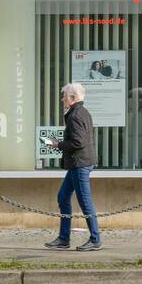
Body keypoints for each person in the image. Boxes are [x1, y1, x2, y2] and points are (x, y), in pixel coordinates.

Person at [43, 83, 102, 251]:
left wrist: (57, 145)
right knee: (63, 197)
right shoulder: (82, 112)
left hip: (80, 164)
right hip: (78, 163)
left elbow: (78, 142)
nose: (63, 100)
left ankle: (95, 239)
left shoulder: (76, 115)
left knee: (85, 202)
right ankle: (63, 238)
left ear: (72, 98)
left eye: (65, 97)